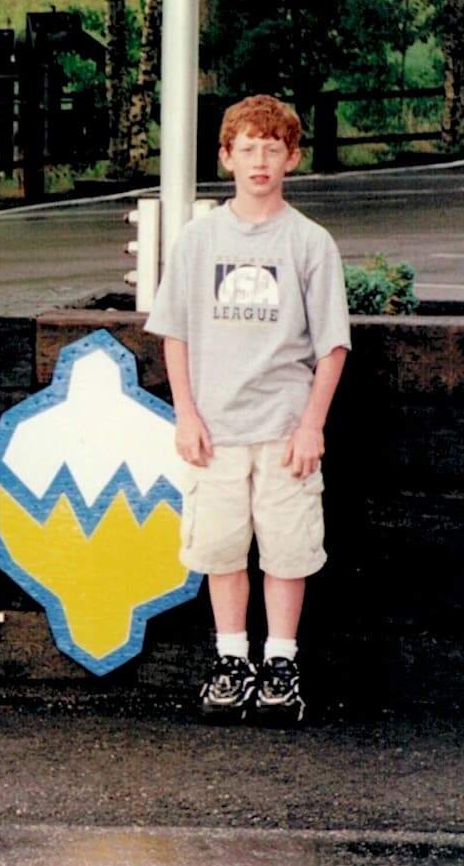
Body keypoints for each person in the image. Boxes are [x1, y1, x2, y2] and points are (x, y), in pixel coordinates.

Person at [145, 95, 350, 725]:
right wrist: (186, 414)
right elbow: (174, 331)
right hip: (216, 429)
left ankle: (280, 663)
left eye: (272, 148)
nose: (259, 161)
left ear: (291, 157)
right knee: (222, 546)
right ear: (226, 156)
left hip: (286, 428)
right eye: (247, 148)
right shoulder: (198, 240)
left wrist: (312, 423)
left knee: (287, 549)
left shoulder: (310, 243)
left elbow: (332, 344)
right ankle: (232, 658)